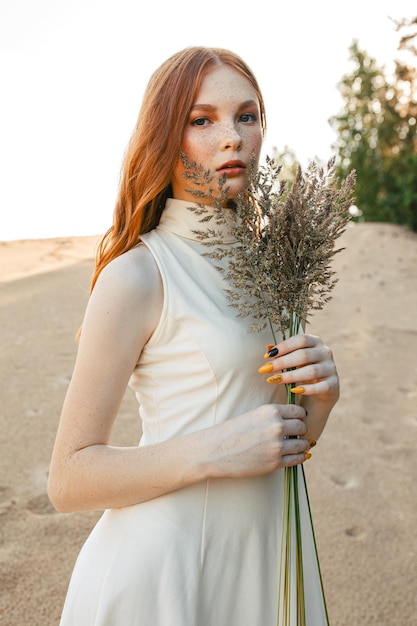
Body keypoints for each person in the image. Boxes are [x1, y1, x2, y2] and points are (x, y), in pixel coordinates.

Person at [48, 46, 339, 625]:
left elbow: (273, 444)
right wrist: (214, 451)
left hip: (262, 559)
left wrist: (320, 400)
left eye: (247, 116)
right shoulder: (138, 274)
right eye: (201, 120)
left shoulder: (270, 268)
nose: (231, 136)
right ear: (166, 139)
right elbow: (68, 479)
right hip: (168, 574)